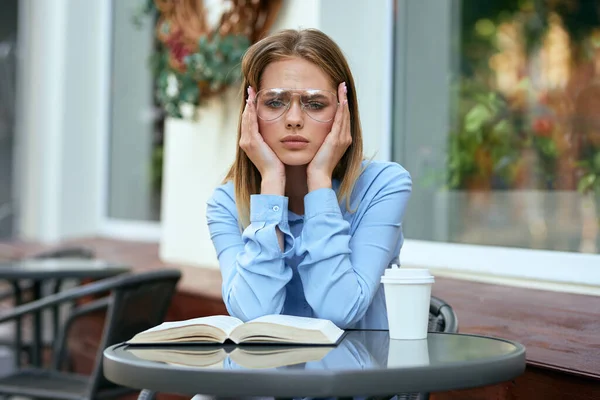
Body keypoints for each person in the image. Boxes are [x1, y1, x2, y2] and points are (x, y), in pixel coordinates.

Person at [206, 28, 412, 331]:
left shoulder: (384, 186)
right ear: (251, 113)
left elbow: (340, 310)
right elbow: (254, 316)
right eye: (275, 102)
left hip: (357, 376)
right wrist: (271, 191)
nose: (293, 119)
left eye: (315, 103)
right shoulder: (226, 203)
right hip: (267, 378)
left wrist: (319, 180)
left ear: (344, 112)